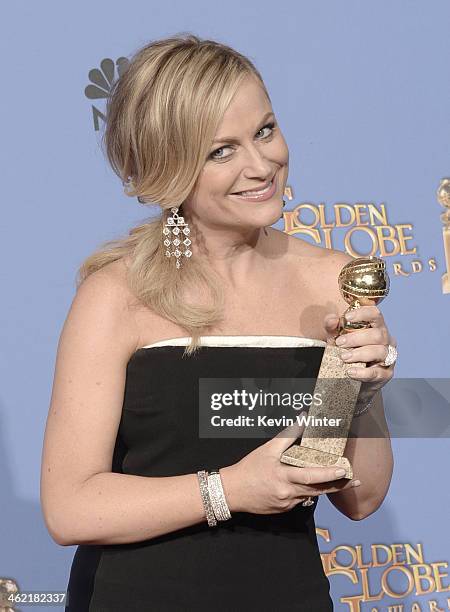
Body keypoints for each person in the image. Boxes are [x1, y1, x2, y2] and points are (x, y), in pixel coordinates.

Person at [40, 33, 396, 611]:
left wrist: (363, 393)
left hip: (290, 595)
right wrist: (231, 489)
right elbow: (70, 506)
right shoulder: (117, 295)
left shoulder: (334, 280)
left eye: (264, 130)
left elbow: (362, 498)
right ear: (168, 167)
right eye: (220, 151)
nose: (262, 165)